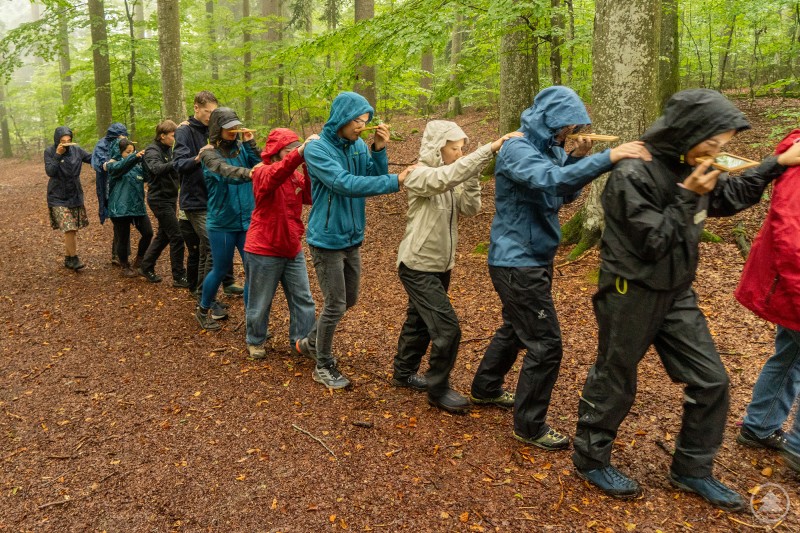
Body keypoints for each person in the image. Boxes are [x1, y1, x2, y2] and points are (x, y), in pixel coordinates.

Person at [572, 89, 800, 512]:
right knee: (616, 376)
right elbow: (653, 241)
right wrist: (689, 193)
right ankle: (590, 458)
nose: (716, 152)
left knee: (711, 381)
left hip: (677, 292)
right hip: (630, 290)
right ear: (687, 133)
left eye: (722, 146)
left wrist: (773, 166)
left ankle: (692, 469)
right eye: (711, 143)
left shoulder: (690, 164)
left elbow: (730, 197)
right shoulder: (632, 175)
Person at [469, 86, 650, 448]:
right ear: (550, 119)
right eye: (567, 125)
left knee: (515, 326)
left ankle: (486, 388)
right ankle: (529, 425)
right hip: (516, 260)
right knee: (546, 344)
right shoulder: (517, 147)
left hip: (535, 255)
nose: (570, 132)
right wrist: (606, 158)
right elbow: (549, 180)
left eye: (573, 127)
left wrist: (573, 158)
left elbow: (562, 194)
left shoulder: (549, 148)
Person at [393, 121, 522, 413]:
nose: (459, 153)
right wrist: (485, 151)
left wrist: (473, 173)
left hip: (441, 263)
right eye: (454, 148)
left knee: (420, 321)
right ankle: (437, 389)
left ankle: (403, 372)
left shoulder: (451, 176)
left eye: (462, 148)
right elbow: (445, 178)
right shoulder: (419, 174)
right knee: (447, 329)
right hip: (417, 263)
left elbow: (471, 208)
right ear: (438, 147)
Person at [293, 91, 415, 390]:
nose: (362, 126)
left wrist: (379, 149)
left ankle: (310, 343)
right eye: (357, 121)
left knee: (350, 299)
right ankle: (322, 365)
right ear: (342, 119)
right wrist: (397, 180)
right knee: (335, 303)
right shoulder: (317, 149)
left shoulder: (359, 145)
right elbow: (345, 184)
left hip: (352, 235)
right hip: (326, 238)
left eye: (365, 121)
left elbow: (374, 176)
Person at [734, 129, 800, 473]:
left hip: (790, 285)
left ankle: (759, 427)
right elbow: (790, 232)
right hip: (792, 283)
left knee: (790, 355)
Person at [244, 129, 319, 360]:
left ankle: (302, 341)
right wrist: (300, 152)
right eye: (289, 149)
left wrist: (307, 163)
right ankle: (255, 340)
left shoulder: (294, 175)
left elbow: (310, 195)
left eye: (295, 148)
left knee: (303, 298)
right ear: (276, 151)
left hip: (291, 247)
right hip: (264, 248)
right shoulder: (263, 172)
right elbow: (279, 172)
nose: (293, 153)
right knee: (261, 299)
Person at [172, 91, 240, 315]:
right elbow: (179, 165)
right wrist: (199, 157)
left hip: (216, 199)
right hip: (196, 200)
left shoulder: (216, 130)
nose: (211, 117)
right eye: (208, 112)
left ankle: (205, 292)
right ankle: (207, 300)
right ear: (196, 108)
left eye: (214, 113)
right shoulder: (184, 131)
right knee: (214, 246)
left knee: (206, 250)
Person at [195, 107, 261, 330]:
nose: (233, 132)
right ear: (217, 129)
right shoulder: (208, 154)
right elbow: (226, 172)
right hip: (222, 222)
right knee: (221, 268)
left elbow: (260, 162)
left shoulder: (242, 148)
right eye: (228, 129)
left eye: (236, 127)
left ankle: (254, 322)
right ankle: (203, 309)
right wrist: (249, 174)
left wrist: (251, 143)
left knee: (252, 268)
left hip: (246, 221)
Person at [139, 120, 188, 287]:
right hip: (159, 199)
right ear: (162, 136)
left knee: (164, 235)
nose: (175, 139)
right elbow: (156, 168)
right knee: (177, 236)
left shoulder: (168, 149)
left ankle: (146, 266)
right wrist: (177, 162)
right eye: (173, 136)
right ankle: (179, 276)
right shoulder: (152, 150)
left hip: (169, 198)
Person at [44, 126, 93, 271]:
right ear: (57, 140)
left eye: (68, 140)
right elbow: (50, 171)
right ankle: (75, 258)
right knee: (69, 227)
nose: (66, 142)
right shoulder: (49, 151)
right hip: (57, 196)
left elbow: (91, 158)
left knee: (72, 230)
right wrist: (58, 155)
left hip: (74, 194)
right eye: (62, 140)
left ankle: (68, 258)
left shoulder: (76, 150)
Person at [105, 138, 153, 277]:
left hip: (137, 206)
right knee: (123, 238)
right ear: (119, 152)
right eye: (128, 152)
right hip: (119, 209)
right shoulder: (113, 165)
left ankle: (139, 261)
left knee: (148, 233)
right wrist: (134, 157)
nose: (132, 154)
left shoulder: (137, 164)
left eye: (133, 151)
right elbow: (120, 167)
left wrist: (144, 161)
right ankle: (125, 266)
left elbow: (147, 177)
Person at [92, 122, 129, 265]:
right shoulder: (102, 145)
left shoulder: (125, 143)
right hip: (108, 188)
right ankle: (119, 255)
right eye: (121, 135)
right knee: (119, 220)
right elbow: (99, 165)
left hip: (124, 186)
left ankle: (120, 254)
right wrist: (112, 162)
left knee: (123, 219)